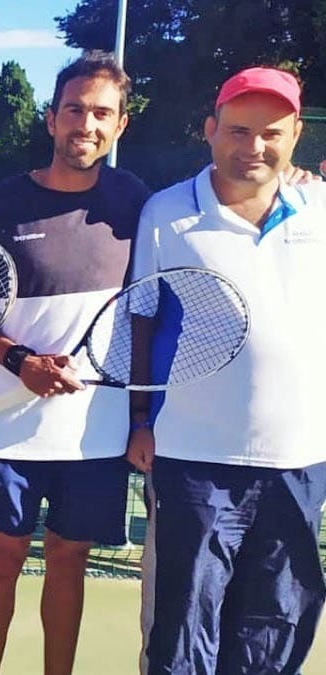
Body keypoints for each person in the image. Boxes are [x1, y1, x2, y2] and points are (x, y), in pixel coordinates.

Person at [129, 66, 326, 675]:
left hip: (300, 461)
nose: (254, 147)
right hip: (193, 461)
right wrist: (140, 419)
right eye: (238, 131)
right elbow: (141, 317)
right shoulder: (165, 213)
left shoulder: (319, 206)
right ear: (210, 130)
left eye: (271, 132)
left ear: (296, 134)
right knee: (182, 635)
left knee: (273, 633)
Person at [0, 52, 148, 675]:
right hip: (9, 430)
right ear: (51, 119)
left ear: (120, 124)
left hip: (96, 434)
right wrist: (20, 361)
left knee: (69, 561)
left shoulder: (141, 206)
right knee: (0, 563)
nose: (85, 125)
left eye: (101, 113)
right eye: (74, 110)